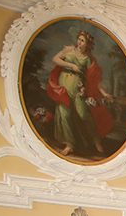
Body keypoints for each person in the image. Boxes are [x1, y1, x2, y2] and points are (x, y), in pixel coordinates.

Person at [47, 30, 114, 158]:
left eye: (82, 40)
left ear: (87, 44)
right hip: (63, 87)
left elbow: (95, 79)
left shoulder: (88, 59)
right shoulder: (68, 50)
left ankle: (95, 139)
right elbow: (55, 59)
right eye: (79, 39)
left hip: (79, 89)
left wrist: (104, 92)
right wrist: (70, 66)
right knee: (64, 114)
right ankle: (69, 144)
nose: (79, 42)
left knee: (83, 114)